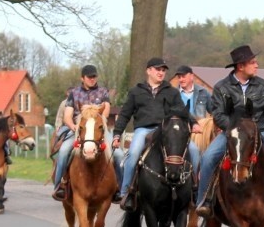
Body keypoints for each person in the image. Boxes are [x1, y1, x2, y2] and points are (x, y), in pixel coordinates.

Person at [195, 45, 264, 220]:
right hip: (232, 134)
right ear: (240, 66)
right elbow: (218, 114)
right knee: (207, 158)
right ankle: (204, 202)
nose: (257, 65)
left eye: (255, 62)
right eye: (252, 62)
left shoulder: (263, 85)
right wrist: (237, 129)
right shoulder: (222, 87)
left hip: (260, 131)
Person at [112, 57, 201, 212]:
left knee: (194, 150)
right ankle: (127, 192)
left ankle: (194, 189)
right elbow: (125, 114)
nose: (161, 72)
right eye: (158, 69)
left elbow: (181, 110)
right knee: (132, 153)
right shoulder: (136, 91)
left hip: (166, 130)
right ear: (149, 71)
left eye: (163, 70)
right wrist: (117, 134)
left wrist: (193, 123)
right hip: (143, 130)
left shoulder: (171, 91)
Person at [52, 65, 111, 201]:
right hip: (79, 130)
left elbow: (106, 109)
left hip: (97, 130)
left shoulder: (103, 92)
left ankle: (120, 189)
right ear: (82, 78)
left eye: (94, 76)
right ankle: (59, 185)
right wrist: (74, 126)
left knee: (118, 154)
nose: (92, 79)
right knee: (64, 151)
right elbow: (67, 115)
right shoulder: (74, 93)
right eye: (89, 77)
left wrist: (100, 121)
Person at [173, 64, 212, 178]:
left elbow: (214, 110)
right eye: (179, 77)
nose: (181, 79)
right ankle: (195, 180)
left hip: (200, 133)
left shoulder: (203, 92)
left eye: (183, 76)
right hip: (181, 132)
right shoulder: (174, 94)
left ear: (192, 76)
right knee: (194, 151)